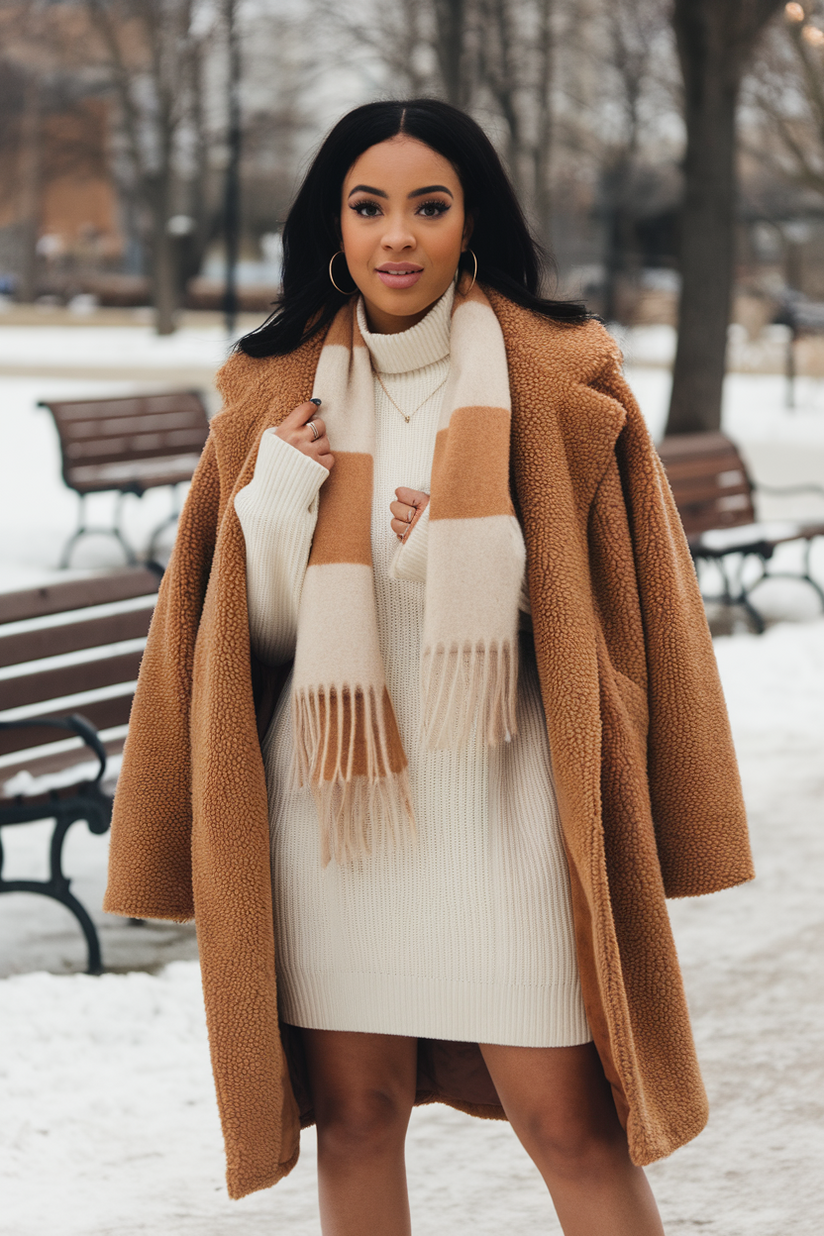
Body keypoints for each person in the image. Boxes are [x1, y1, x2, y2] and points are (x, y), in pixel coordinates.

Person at [104, 99, 754, 1236]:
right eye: (368, 207)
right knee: (354, 1118)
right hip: (334, 816)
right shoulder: (267, 391)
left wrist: (455, 570)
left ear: (470, 223)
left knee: (570, 1128)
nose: (395, 235)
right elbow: (243, 654)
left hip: (502, 813)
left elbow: (615, 617)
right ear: (332, 226)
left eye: (427, 206)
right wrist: (273, 506)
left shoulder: (560, 378)